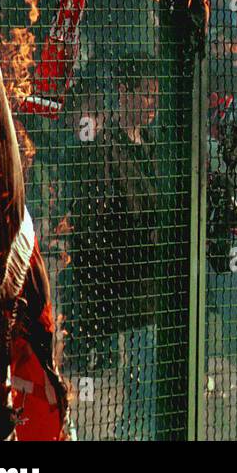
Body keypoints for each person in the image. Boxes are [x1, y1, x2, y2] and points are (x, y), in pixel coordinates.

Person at [68, 51, 163, 439]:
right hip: (124, 289)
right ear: (123, 94)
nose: (152, 104)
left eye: (155, 96)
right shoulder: (105, 150)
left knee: (147, 389)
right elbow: (94, 219)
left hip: (154, 289)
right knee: (131, 386)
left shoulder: (157, 147)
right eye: (144, 95)